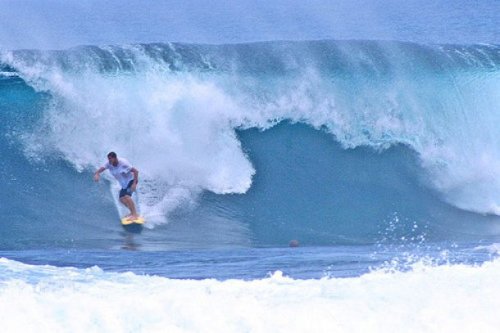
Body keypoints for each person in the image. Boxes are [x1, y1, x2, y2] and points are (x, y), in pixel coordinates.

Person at [94, 152, 139, 220]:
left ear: (115, 158)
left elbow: (136, 171)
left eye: (110, 159)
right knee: (121, 199)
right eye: (108, 159)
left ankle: (134, 215)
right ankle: (132, 212)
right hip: (124, 184)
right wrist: (97, 174)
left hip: (131, 181)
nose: (109, 161)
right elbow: (99, 170)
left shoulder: (123, 163)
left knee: (127, 196)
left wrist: (134, 183)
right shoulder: (109, 164)